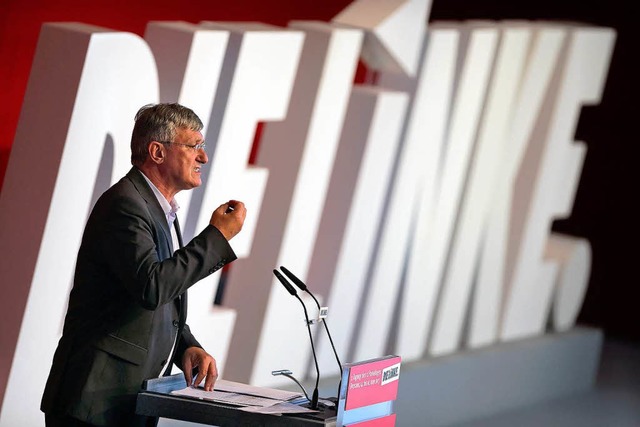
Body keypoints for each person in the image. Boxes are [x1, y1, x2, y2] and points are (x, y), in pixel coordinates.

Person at [40, 103, 247, 427]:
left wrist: (185, 348)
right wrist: (217, 236)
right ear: (157, 152)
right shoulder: (126, 205)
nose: (203, 157)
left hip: (123, 402)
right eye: (194, 146)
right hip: (94, 404)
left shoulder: (155, 208)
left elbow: (156, 299)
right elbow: (151, 287)